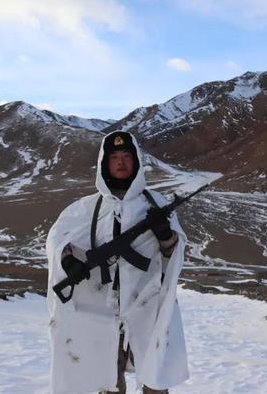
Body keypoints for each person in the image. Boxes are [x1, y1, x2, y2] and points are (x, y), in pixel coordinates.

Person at [46, 131, 189, 394]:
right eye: (114, 157)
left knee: (155, 381)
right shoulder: (86, 209)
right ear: (104, 163)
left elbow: (174, 258)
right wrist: (68, 263)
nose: (121, 162)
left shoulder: (155, 204)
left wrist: (166, 236)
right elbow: (57, 240)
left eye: (126, 156)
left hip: (147, 307)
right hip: (100, 310)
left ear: (135, 162)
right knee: (107, 382)